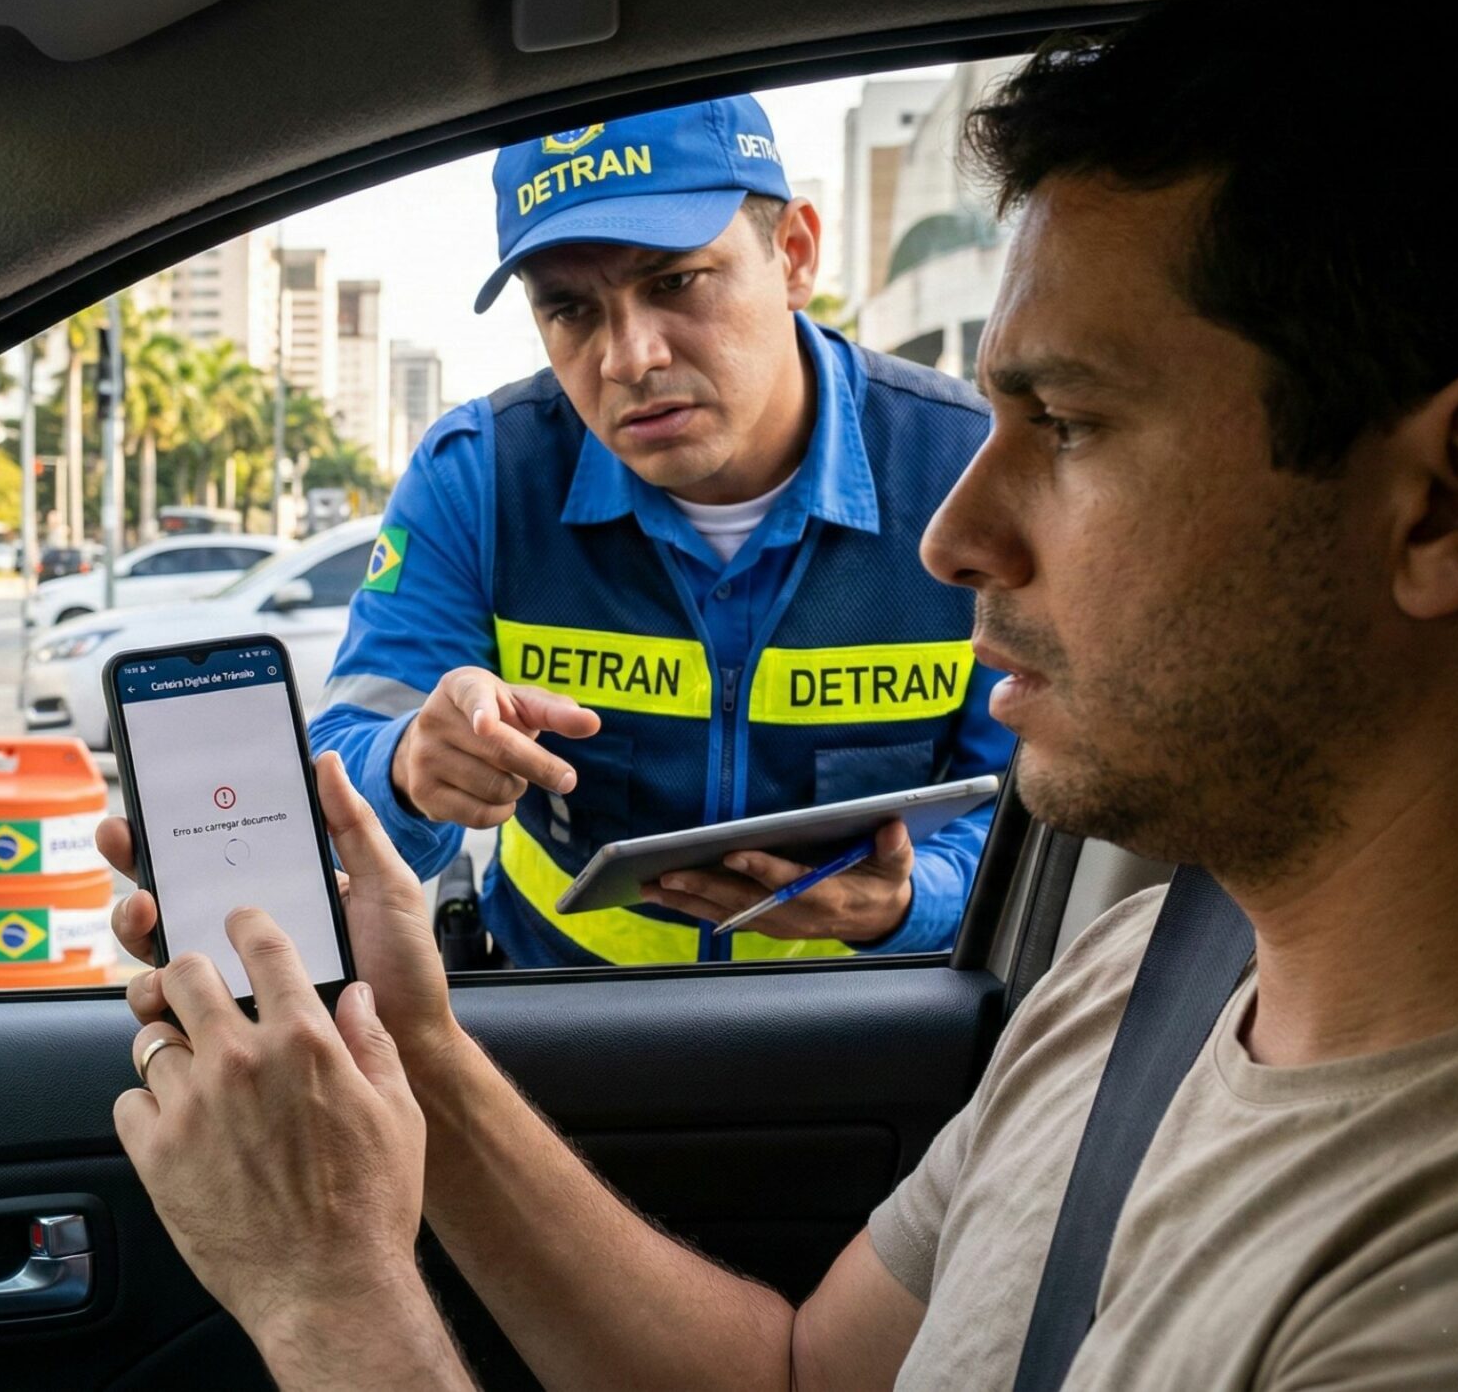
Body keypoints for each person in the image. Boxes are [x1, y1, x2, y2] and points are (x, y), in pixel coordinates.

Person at [101, 0, 1458, 1385]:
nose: (957, 533)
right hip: (551, 1013)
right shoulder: (1124, 991)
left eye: (1071, 423)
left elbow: (1007, 813)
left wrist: (330, 1297)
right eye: (571, 312)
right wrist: (413, 999)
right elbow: (795, 1372)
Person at [310, 95, 1014, 967]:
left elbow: (1045, 806)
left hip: (878, 1039)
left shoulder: (964, 467)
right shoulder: (480, 477)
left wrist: (909, 900)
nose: (628, 358)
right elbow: (340, 760)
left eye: (675, 282)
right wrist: (411, 765)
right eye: (570, 309)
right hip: (561, 1029)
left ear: (793, 255)